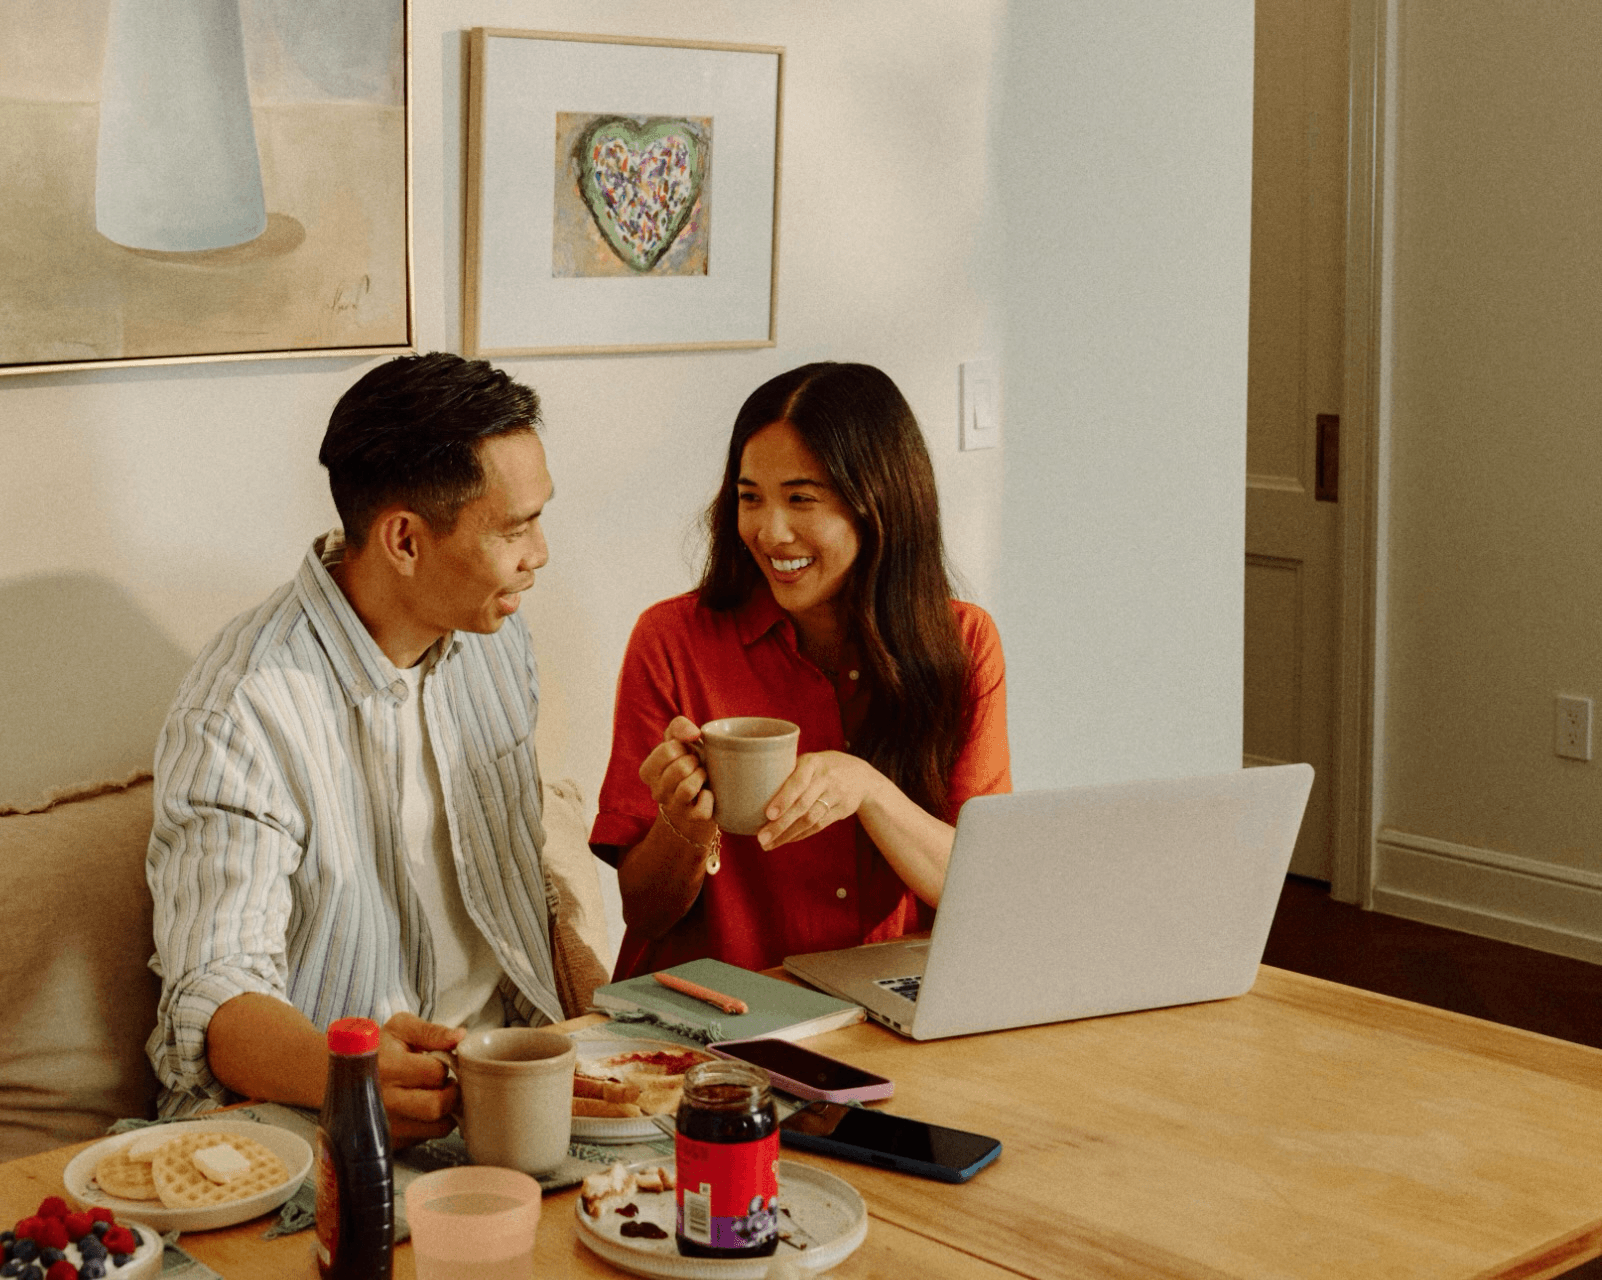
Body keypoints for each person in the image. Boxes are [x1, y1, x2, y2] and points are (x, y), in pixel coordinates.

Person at [146, 352, 564, 1142]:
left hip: (505, 1087)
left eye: (539, 518)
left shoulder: (497, 639)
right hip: (321, 1123)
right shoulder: (242, 710)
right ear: (404, 539)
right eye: (514, 527)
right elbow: (217, 999)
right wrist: (354, 1075)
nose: (539, 552)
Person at [590, 362, 1011, 979]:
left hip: (887, 1011)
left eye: (801, 499)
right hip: (716, 1025)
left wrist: (868, 791)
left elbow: (984, 892)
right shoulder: (672, 641)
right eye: (749, 497)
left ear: (879, 504)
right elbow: (646, 914)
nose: (770, 531)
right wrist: (684, 823)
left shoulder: (965, 642)